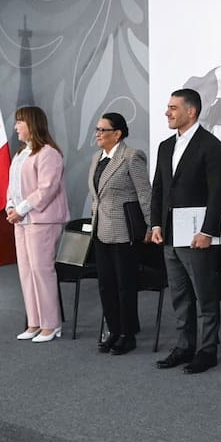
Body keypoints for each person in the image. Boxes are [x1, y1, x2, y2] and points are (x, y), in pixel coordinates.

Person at [150, 88, 221, 374]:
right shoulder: (165, 146)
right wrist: (156, 224)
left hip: (198, 237)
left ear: (191, 111)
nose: (167, 112)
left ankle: (207, 350)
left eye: (173, 108)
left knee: (204, 295)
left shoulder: (212, 146)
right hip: (169, 235)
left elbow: (219, 193)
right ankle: (184, 346)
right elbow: (158, 189)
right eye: (168, 107)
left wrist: (208, 231)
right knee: (179, 295)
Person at [87, 111, 153, 355]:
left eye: (102, 130)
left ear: (117, 134)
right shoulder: (96, 158)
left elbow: (144, 193)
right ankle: (114, 330)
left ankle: (128, 333)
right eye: (97, 129)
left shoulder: (132, 156)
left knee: (125, 285)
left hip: (124, 232)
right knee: (106, 285)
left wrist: (151, 226)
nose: (97, 134)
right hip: (100, 230)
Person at [6, 106, 70, 343]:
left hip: (43, 220)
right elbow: (12, 186)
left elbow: (47, 188)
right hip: (22, 221)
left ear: (32, 124)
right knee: (26, 271)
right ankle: (34, 322)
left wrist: (21, 209)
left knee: (41, 271)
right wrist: (10, 206)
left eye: (19, 122)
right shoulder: (21, 154)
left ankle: (51, 324)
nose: (16, 127)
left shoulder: (49, 153)